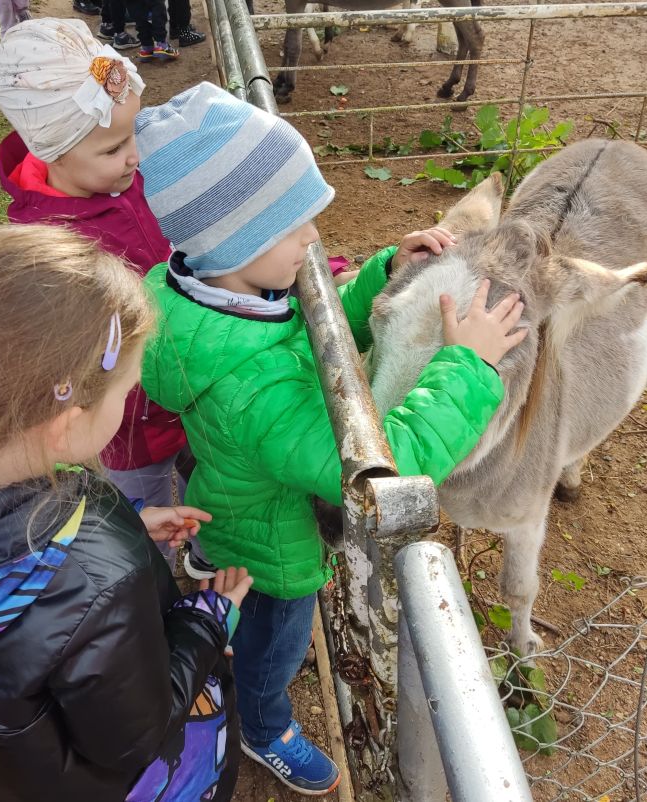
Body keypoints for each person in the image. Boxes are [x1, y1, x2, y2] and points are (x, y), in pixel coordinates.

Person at [137, 82, 528, 795]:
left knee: (232, 568)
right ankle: (261, 725)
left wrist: (382, 273)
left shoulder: (218, 298)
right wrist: (468, 366)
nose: (315, 239)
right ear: (240, 242)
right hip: (281, 551)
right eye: (296, 227)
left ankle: (211, 575)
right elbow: (385, 466)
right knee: (275, 648)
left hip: (237, 497)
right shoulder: (253, 389)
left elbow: (303, 334)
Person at [0, 224, 252, 802]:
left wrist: (122, 525)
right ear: (66, 423)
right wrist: (207, 620)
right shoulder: (97, 576)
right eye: (126, 391)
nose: (129, 402)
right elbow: (131, 740)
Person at [0, 19, 188, 568]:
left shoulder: (125, 178)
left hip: (188, 383)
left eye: (132, 136)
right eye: (115, 147)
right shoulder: (50, 250)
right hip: (128, 417)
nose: (135, 155)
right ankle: (152, 589)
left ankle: (197, 557)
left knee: (200, 483)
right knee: (141, 516)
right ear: (54, 153)